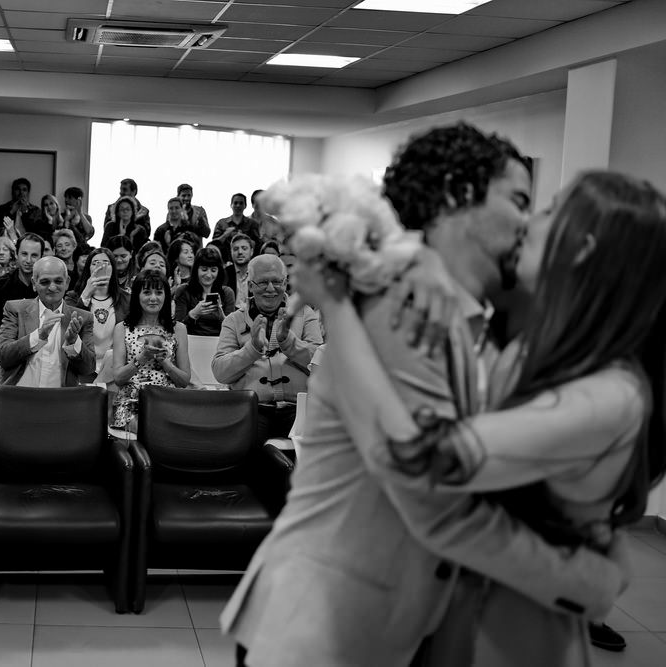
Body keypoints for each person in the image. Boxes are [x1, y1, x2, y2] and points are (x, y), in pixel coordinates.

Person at [220, 123, 628, 667]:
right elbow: (429, 492)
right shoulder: (403, 307)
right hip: (323, 624)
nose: (528, 221)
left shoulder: (469, 309)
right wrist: (584, 580)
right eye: (519, 200)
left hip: (395, 618)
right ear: (460, 197)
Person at [304, 170, 666, 665]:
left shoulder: (608, 395)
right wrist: (428, 259)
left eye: (544, 209)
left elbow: (420, 461)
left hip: (515, 631)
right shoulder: (535, 337)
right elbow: (445, 259)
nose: (526, 221)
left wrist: (337, 312)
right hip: (455, 606)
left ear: (579, 248)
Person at [212, 254, 321, 446]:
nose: (271, 289)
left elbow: (323, 364)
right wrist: (252, 349)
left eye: (277, 282)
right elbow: (220, 372)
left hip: (298, 408)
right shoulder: (234, 320)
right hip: (252, 408)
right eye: (263, 282)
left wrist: (288, 343)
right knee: (241, 447)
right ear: (250, 284)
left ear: (286, 282)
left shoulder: (305, 314)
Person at [0, 256, 95, 387]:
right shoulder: (15, 309)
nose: (52, 288)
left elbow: (88, 369)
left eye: (58, 281)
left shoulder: (83, 318)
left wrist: (73, 343)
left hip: (61, 400)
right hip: (17, 395)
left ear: (67, 282)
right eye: (45, 282)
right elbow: (3, 358)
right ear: (34, 284)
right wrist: (39, 336)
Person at [111, 269, 190, 432]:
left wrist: (165, 363)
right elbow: (118, 378)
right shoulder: (122, 328)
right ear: (137, 296)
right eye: (146, 292)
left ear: (166, 296)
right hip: (131, 401)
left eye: (159, 292)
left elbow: (184, 380)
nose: (153, 298)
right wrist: (142, 358)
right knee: (145, 428)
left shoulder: (179, 329)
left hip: (167, 399)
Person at [66, 247, 130, 378]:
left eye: (106, 263)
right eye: (95, 263)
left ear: (113, 268)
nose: (100, 268)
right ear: (88, 268)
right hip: (83, 365)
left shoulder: (126, 299)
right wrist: (85, 295)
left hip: (114, 366)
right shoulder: (73, 297)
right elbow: (68, 327)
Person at [173, 246, 236, 337]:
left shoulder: (227, 293)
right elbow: (177, 329)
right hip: (190, 341)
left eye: (213, 270)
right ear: (196, 270)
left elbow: (232, 330)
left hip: (219, 343)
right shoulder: (183, 290)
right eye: (204, 270)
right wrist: (193, 314)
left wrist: (221, 316)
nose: (209, 275)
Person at [0, 233, 44, 328]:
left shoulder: (47, 284)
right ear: (16, 254)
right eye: (24, 254)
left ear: (41, 257)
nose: (28, 260)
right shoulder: (1, 284)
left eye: (34, 255)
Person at [0, 177, 46, 242]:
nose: (21, 192)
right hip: (6, 243)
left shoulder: (36, 211)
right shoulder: (1, 209)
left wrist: (25, 212)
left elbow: (37, 232)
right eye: (17, 189)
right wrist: (11, 212)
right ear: (12, 192)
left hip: (29, 243)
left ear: (28, 193)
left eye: (24, 190)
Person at [225, 232, 256, 309]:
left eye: (244, 248)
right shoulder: (224, 273)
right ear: (231, 252)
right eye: (235, 249)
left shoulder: (258, 273)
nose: (240, 252)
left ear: (251, 251)